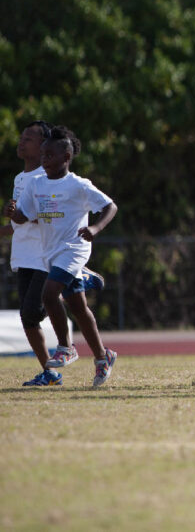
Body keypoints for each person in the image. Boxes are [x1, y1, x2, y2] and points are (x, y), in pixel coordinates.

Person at [11, 126, 118, 387]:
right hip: (51, 252)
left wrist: (95, 228)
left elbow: (109, 206)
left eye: (50, 156)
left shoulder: (78, 185)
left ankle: (66, 347)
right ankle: (103, 357)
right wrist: (12, 212)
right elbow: (24, 216)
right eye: (43, 155)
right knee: (79, 308)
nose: (44, 160)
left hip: (74, 249)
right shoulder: (36, 184)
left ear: (66, 157)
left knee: (48, 294)